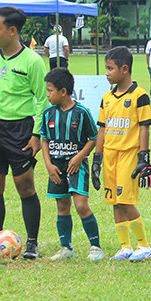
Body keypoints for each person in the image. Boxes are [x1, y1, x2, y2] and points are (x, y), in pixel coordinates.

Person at [0, 6, 48, 260]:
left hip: (20, 130)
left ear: (12, 31)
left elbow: (42, 99)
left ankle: (32, 244)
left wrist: (36, 134)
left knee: (25, 185)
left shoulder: (33, 61)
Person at [92, 46, 151, 262]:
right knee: (114, 202)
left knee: (126, 201)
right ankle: (125, 247)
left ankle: (144, 246)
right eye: (106, 68)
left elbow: (144, 127)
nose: (107, 73)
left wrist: (144, 157)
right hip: (110, 156)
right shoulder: (106, 98)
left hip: (129, 155)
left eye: (110, 69)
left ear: (125, 69)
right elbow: (102, 129)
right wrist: (97, 159)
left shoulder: (140, 96)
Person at [40, 68, 102, 261]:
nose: (47, 94)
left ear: (63, 91)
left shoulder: (81, 112)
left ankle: (96, 247)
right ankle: (66, 248)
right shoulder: (48, 113)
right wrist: (48, 165)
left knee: (81, 205)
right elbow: (44, 140)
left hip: (76, 166)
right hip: (56, 166)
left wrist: (79, 157)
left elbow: (93, 138)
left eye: (50, 90)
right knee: (62, 206)